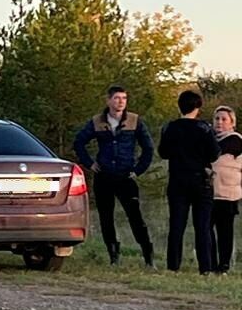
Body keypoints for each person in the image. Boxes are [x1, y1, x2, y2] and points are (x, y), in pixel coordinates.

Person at [74, 85, 155, 267]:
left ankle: (148, 255)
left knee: (135, 217)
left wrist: (138, 169)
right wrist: (89, 163)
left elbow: (148, 148)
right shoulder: (97, 122)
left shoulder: (134, 121)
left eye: (124, 98)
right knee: (106, 217)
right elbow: (79, 142)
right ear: (108, 100)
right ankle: (113, 255)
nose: (121, 102)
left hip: (126, 175)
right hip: (104, 176)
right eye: (117, 98)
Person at [158, 90, 220, 274]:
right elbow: (214, 153)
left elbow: (163, 152)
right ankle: (205, 267)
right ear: (198, 107)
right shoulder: (204, 129)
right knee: (202, 226)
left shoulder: (170, 127)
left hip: (178, 180)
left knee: (177, 224)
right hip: (200, 180)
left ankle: (173, 265)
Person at [210, 105, 242, 275]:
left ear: (232, 123)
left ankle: (223, 266)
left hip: (227, 194)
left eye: (224, 119)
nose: (219, 122)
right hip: (210, 193)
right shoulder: (210, 139)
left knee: (224, 231)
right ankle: (211, 263)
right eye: (217, 119)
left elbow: (215, 152)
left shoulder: (235, 140)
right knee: (206, 229)